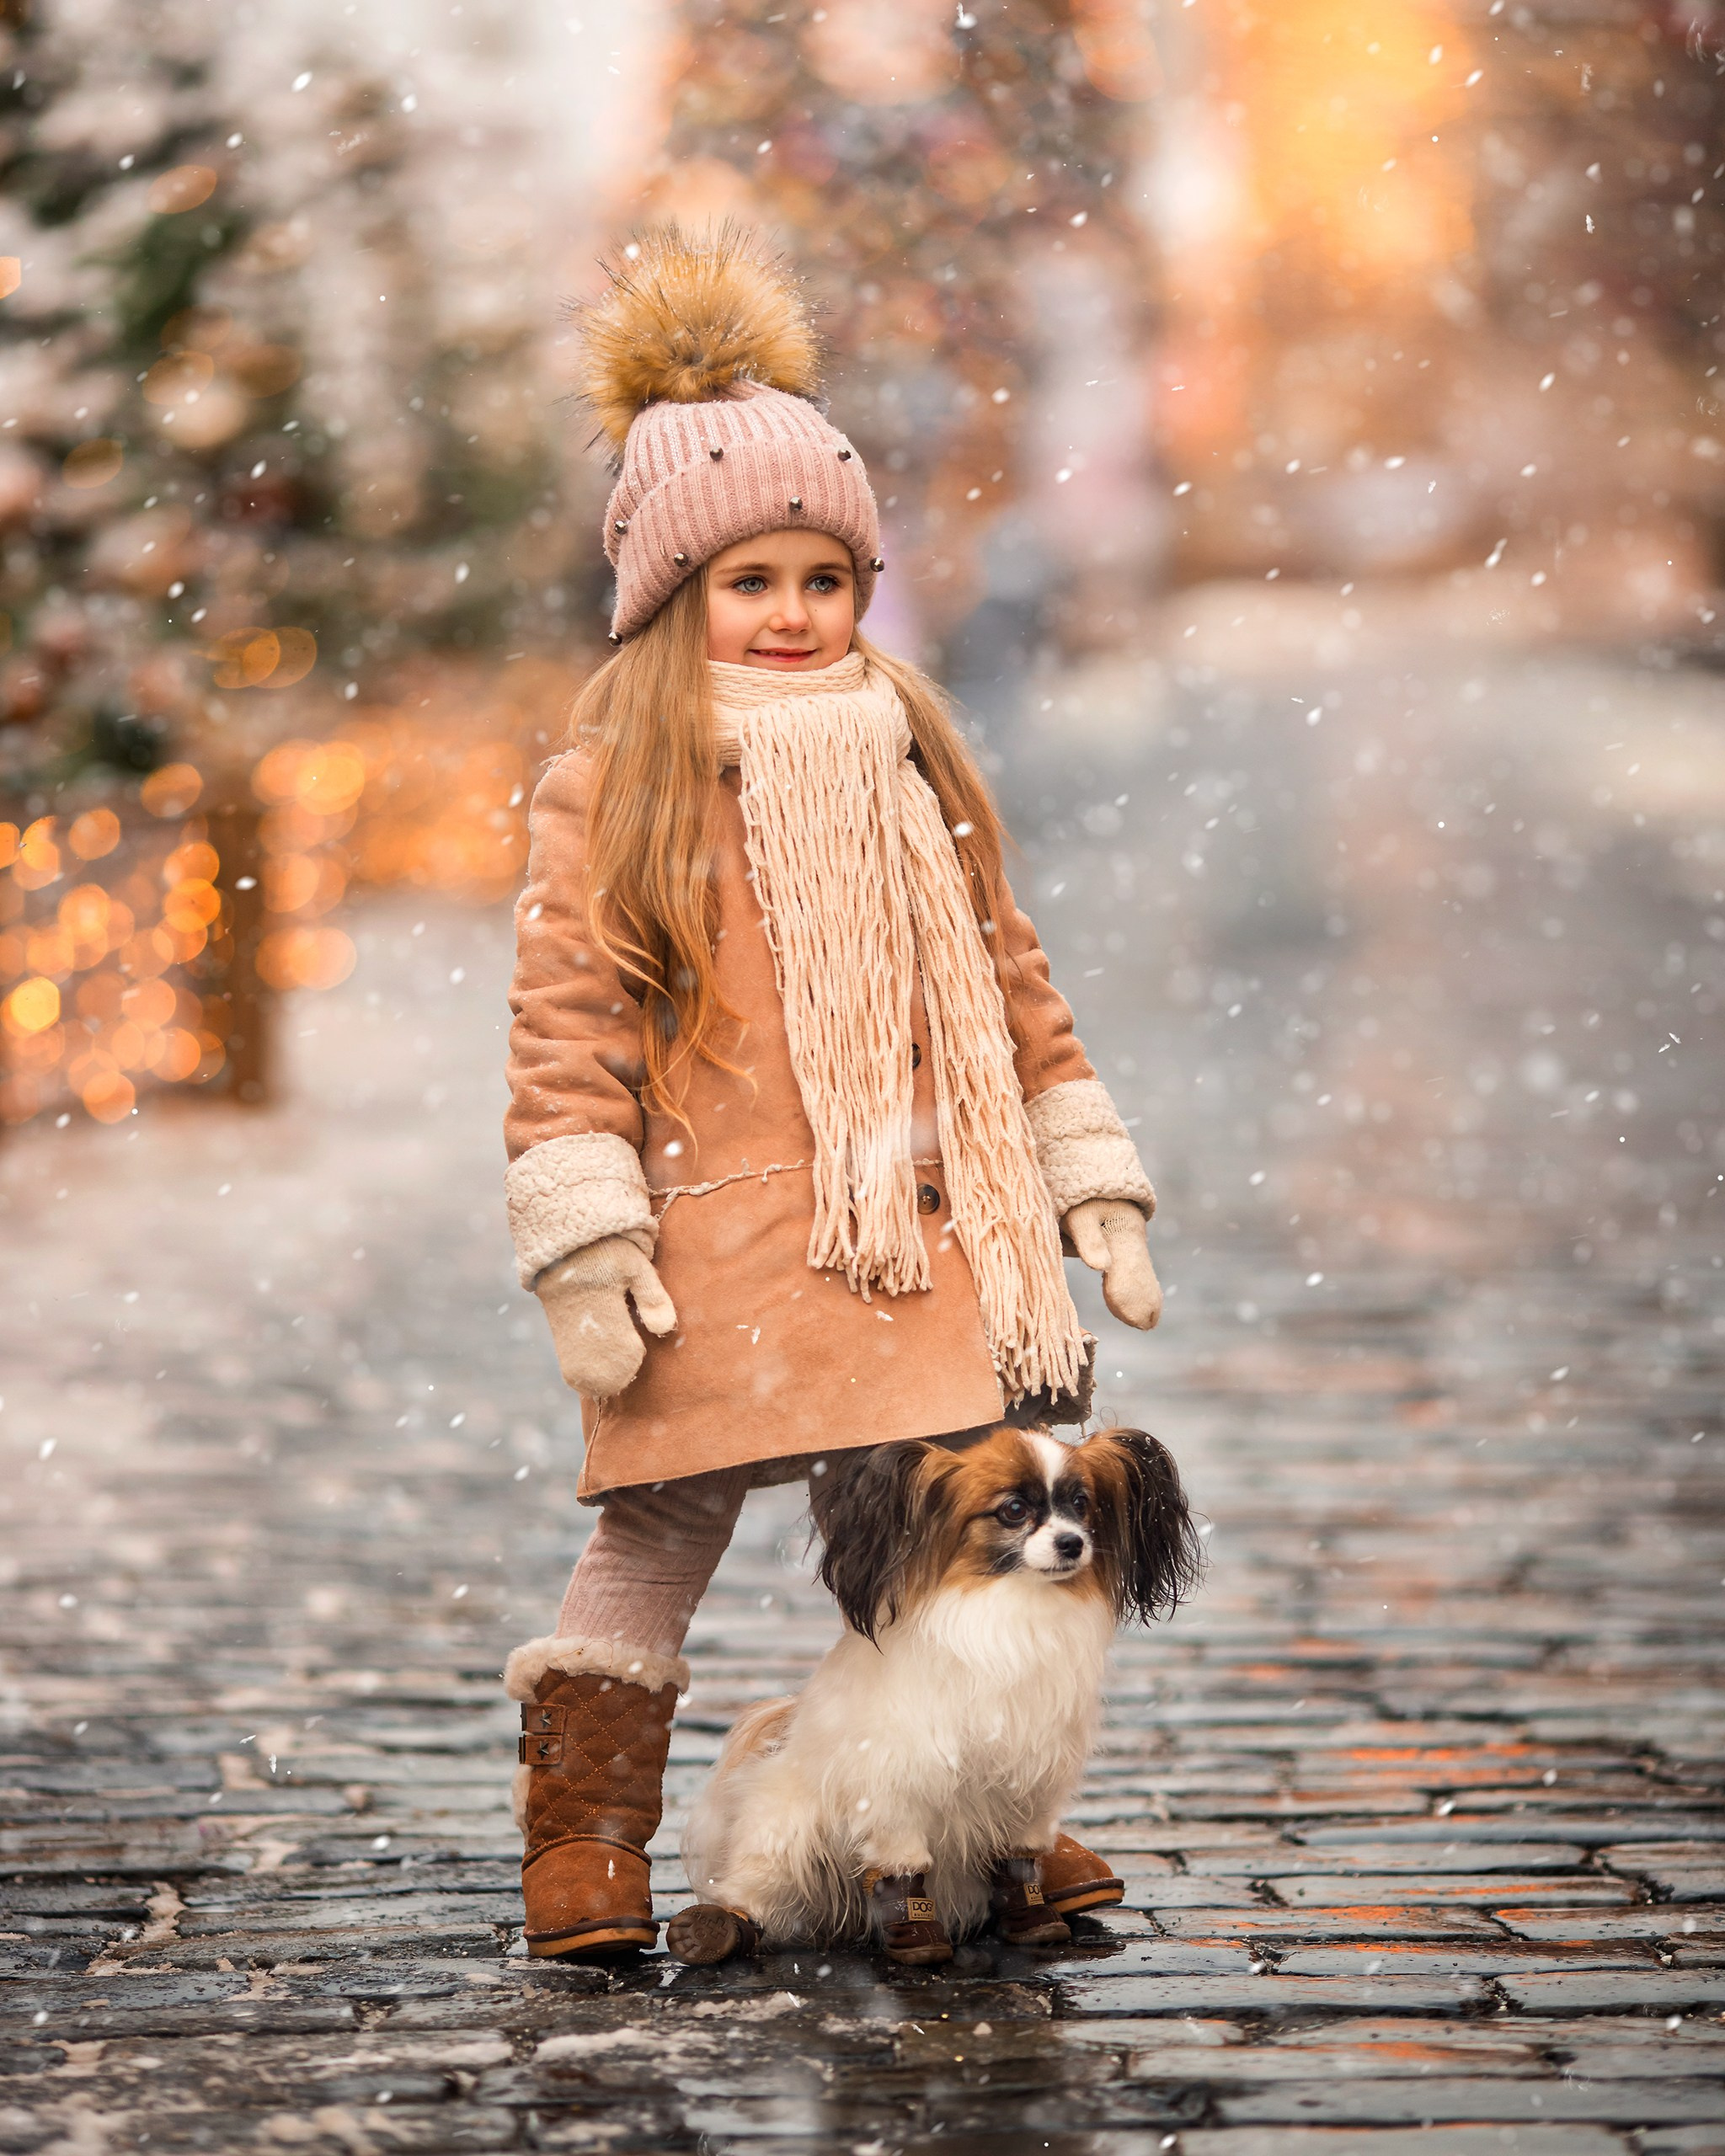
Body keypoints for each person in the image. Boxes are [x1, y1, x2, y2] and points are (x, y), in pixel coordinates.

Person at [500, 225, 1162, 1960]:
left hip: (920, 1227)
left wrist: (1086, 1167)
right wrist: (584, 1233)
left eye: (823, 578)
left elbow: (1008, 974)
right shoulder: (617, 780)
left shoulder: (909, 750)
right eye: (749, 581)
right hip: (716, 1234)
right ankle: (587, 1841)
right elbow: (566, 1015)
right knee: (656, 1532)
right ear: (670, 598)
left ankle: (969, 1811)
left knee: (939, 1533)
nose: (791, 615)